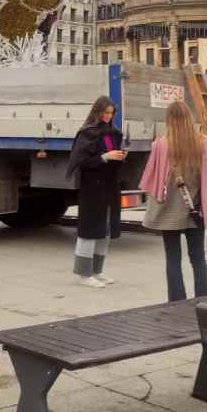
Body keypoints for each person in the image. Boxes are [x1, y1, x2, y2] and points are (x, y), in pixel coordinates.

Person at [139, 101, 207, 301]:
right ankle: (204, 300)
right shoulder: (205, 143)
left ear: (169, 119)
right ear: (189, 117)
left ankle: (176, 302)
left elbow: (150, 181)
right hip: (196, 211)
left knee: (173, 259)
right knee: (198, 258)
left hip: (168, 213)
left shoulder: (161, 144)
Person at [65, 96, 124, 288]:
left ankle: (97, 271)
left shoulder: (114, 133)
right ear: (97, 112)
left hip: (109, 186)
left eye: (111, 113)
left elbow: (111, 159)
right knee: (89, 230)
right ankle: (84, 274)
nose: (108, 116)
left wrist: (120, 157)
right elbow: (81, 162)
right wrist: (105, 157)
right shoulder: (87, 133)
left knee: (104, 230)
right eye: (105, 112)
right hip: (92, 187)